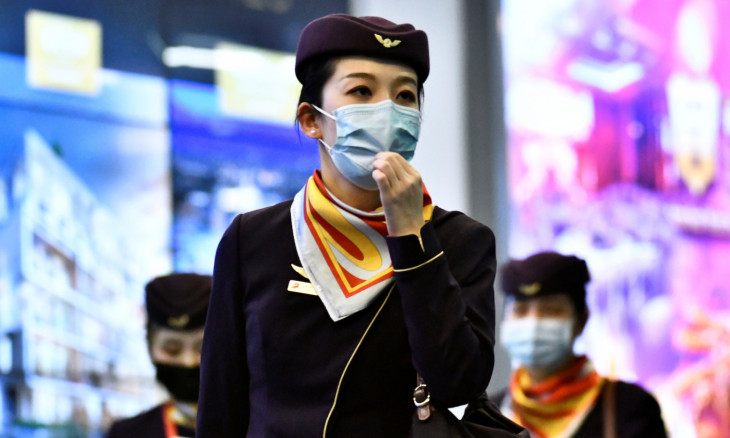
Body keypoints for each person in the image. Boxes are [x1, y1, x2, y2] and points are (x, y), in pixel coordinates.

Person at [196, 13, 497, 438]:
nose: (389, 110)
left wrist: (412, 238)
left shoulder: (460, 241)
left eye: (406, 96)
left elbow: (458, 384)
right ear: (310, 120)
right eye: (361, 90)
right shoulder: (254, 238)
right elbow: (221, 402)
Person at [493, 251, 667, 438]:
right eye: (520, 311)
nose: (533, 323)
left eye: (550, 311)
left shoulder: (630, 408)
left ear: (581, 320)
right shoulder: (490, 414)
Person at [106, 273, 211, 438]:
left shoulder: (258, 425)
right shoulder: (126, 434)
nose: (188, 362)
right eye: (171, 349)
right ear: (150, 347)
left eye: (204, 349)